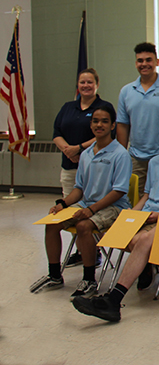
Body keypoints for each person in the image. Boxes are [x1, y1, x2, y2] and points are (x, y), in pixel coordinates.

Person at [72, 117, 159, 322]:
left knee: (137, 241)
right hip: (147, 213)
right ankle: (149, 266)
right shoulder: (154, 161)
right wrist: (132, 214)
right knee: (111, 234)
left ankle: (115, 298)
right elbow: (146, 195)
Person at [31, 105, 131, 299]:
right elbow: (79, 188)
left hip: (113, 207)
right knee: (51, 224)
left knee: (84, 226)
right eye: (95, 121)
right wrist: (63, 204)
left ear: (112, 126)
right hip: (88, 203)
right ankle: (54, 275)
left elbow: (119, 191)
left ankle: (89, 279)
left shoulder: (120, 154)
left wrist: (91, 209)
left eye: (104, 121)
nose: (99, 125)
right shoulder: (85, 155)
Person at [52, 68, 115, 268]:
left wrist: (79, 148)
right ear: (77, 85)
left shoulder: (103, 107)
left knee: (87, 217)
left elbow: (101, 132)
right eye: (82, 82)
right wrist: (67, 150)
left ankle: (93, 252)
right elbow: (57, 131)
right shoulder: (68, 107)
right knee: (70, 207)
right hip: (70, 165)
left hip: (94, 162)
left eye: (90, 82)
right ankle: (81, 252)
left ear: (97, 84)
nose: (86, 86)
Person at [117, 42, 159, 196]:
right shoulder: (126, 91)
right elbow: (122, 125)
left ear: (157, 62)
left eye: (148, 60)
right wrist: (122, 155)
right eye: (140, 60)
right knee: (137, 199)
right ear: (136, 63)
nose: (144, 64)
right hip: (136, 158)